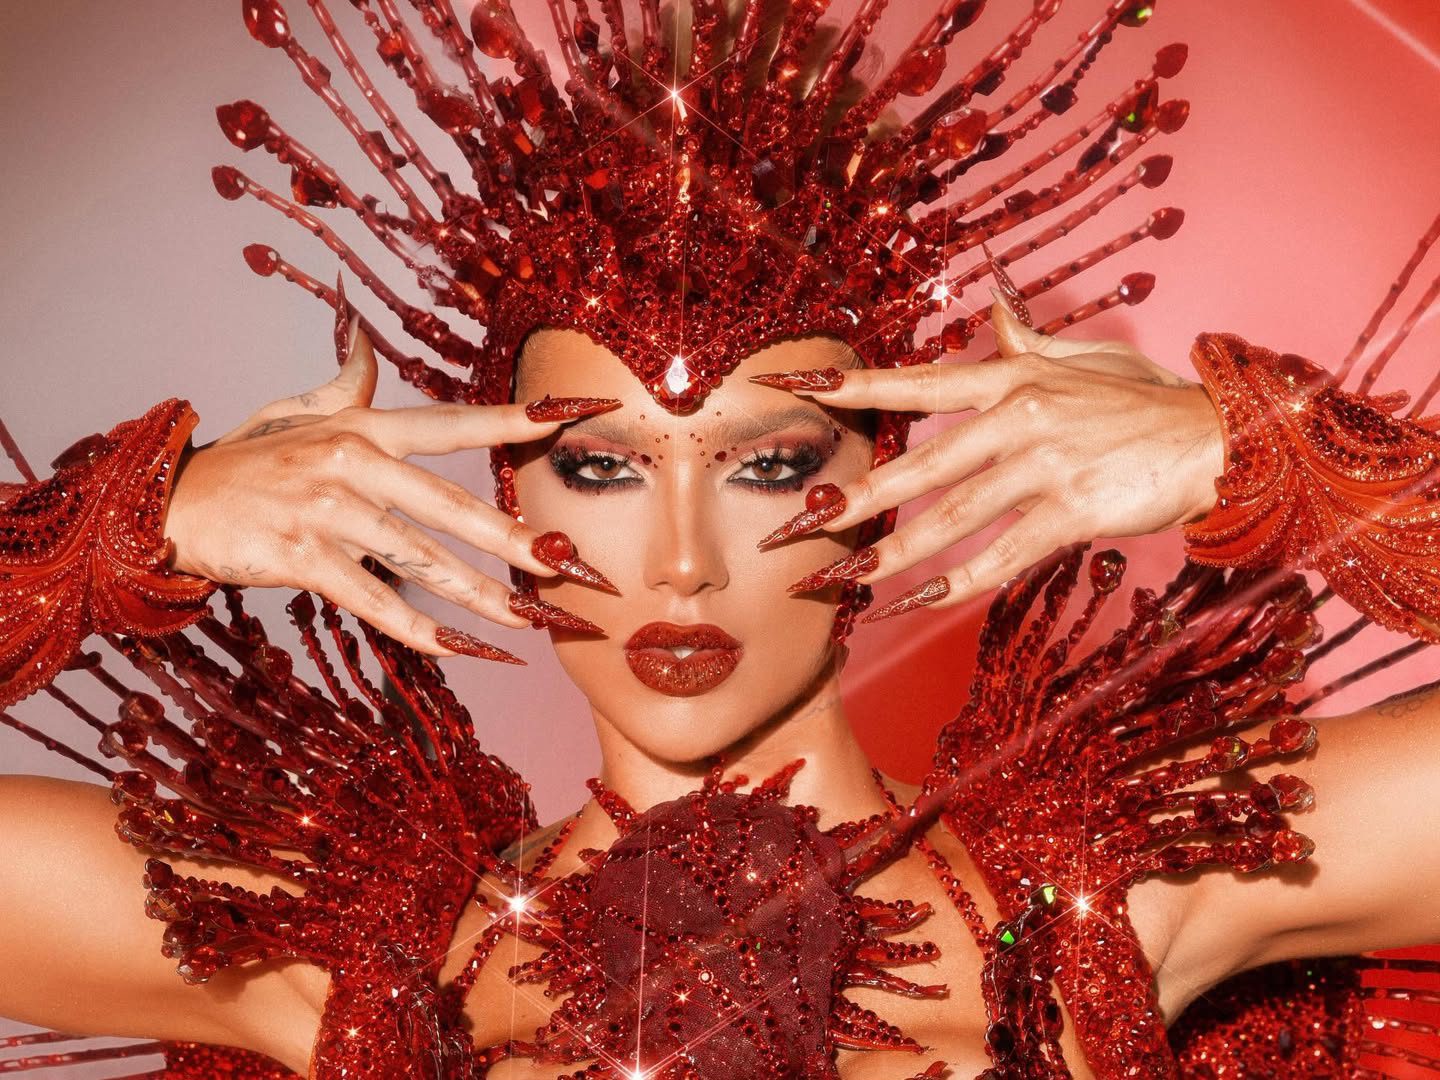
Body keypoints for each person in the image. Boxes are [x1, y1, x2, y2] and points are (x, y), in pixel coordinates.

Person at [2, 1, 1439, 1077]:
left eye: (767, 464)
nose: (682, 559)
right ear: (510, 491)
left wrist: (1253, 450)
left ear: (888, 472)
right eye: (601, 466)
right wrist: (139, 524)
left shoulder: (1112, 887)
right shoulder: (349, 944)